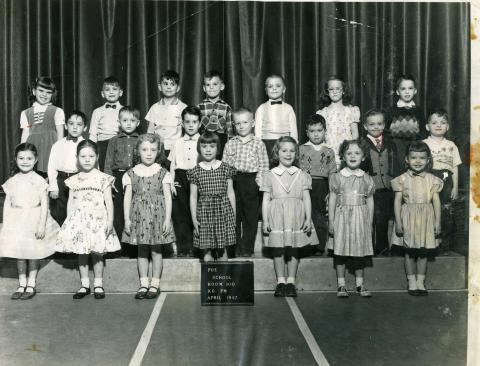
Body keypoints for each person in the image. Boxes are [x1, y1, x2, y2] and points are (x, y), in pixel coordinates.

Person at [55, 140, 121, 299]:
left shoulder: (103, 178)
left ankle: (98, 284)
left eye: (91, 156)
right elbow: (71, 201)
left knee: (97, 253)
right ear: (77, 157)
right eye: (83, 156)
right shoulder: (73, 180)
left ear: (97, 157)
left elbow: (109, 202)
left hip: (98, 220)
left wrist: (110, 221)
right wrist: (69, 222)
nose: (87, 159)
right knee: (82, 253)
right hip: (79, 222)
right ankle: (84, 285)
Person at [0, 143, 59, 300]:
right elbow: (7, 203)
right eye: (21, 158)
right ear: (15, 159)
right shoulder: (12, 181)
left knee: (33, 253)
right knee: (20, 254)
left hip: (34, 218)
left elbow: (45, 203)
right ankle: (21, 283)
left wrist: (41, 224)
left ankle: (31, 284)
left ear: (36, 160)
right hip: (17, 220)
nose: (25, 161)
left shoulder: (39, 180)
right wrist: (5, 224)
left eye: (29, 158)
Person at [122, 134, 175, 299]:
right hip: (138, 216)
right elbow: (127, 198)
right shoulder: (130, 173)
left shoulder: (163, 173)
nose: (149, 153)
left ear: (158, 151)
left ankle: (155, 284)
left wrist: (167, 219)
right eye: (144, 149)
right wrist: (126, 219)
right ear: (138, 151)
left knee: (156, 251)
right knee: (141, 251)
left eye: (153, 149)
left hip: (157, 217)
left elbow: (167, 198)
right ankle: (143, 284)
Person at [261, 136, 312, 298]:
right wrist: (265, 220)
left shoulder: (302, 175)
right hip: (276, 215)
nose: (288, 154)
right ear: (277, 152)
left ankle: (291, 282)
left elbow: (306, 198)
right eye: (284, 150)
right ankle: (280, 281)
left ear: (296, 153)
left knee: (294, 248)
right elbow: (266, 200)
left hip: (296, 215)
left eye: (292, 151)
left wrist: (308, 218)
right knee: (278, 249)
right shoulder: (270, 175)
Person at [391, 141, 442, 296]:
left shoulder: (433, 180)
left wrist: (438, 222)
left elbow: (436, 202)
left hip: (426, 217)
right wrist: (398, 222)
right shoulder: (401, 179)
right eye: (413, 157)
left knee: (423, 251)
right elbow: (397, 202)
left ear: (428, 160)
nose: (418, 161)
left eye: (422, 158)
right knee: (409, 252)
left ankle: (421, 282)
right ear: (407, 159)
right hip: (408, 217)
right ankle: (411, 281)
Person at [328, 140, 375, 298]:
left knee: (358, 252)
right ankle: (341, 285)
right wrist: (331, 221)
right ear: (343, 156)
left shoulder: (367, 178)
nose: (353, 156)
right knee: (340, 251)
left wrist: (369, 221)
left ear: (363, 157)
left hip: (360, 218)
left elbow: (370, 200)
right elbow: (333, 199)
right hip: (342, 218)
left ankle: (360, 284)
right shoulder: (337, 177)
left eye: (357, 153)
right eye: (349, 153)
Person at [223, 107, 269, 257]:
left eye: (245, 122)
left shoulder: (258, 143)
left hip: (251, 181)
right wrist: (226, 183)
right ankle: (234, 247)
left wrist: (259, 182)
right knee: (233, 216)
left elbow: (263, 165)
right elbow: (225, 165)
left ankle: (247, 247)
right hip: (234, 181)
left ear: (253, 123)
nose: (241, 126)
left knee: (250, 217)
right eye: (238, 123)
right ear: (233, 125)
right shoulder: (230, 143)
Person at [187, 132, 236, 262]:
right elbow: (193, 197)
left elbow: (230, 192)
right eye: (204, 146)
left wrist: (233, 215)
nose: (208, 150)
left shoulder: (226, 168)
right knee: (206, 250)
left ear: (218, 148)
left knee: (222, 250)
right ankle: (209, 280)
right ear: (199, 149)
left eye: (212, 146)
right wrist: (194, 219)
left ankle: (223, 280)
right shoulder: (195, 171)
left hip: (223, 212)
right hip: (204, 213)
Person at [360, 109, 400, 256]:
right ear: (365, 126)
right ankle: (368, 248)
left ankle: (382, 247)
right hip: (370, 187)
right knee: (371, 218)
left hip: (386, 187)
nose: (375, 127)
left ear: (384, 125)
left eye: (379, 124)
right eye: (371, 124)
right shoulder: (362, 143)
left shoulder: (391, 143)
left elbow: (395, 164)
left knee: (383, 218)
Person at [104, 106, 140, 255]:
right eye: (125, 120)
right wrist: (109, 181)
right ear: (119, 122)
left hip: (135, 176)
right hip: (118, 177)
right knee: (118, 210)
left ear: (138, 123)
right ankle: (118, 247)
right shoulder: (113, 140)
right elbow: (108, 161)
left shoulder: (141, 139)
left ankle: (134, 247)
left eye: (132, 120)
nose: (129, 124)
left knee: (135, 210)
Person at [423, 110, 461, 253]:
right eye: (434, 123)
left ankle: (444, 244)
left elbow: (455, 168)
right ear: (427, 127)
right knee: (430, 210)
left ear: (448, 127)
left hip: (446, 181)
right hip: (429, 179)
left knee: (445, 211)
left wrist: (455, 187)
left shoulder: (451, 145)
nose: (438, 125)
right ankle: (430, 242)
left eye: (442, 123)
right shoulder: (424, 144)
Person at [299, 114, 336, 256]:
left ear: (325, 131)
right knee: (305, 214)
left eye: (319, 130)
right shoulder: (301, 149)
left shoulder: (329, 151)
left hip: (322, 185)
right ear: (307, 132)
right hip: (305, 185)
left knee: (320, 216)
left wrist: (331, 191)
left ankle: (320, 247)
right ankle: (306, 245)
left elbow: (332, 173)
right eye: (312, 131)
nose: (316, 134)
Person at [168, 106, 201, 257]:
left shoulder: (203, 141)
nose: (191, 125)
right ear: (182, 123)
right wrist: (172, 180)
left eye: (194, 121)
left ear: (200, 123)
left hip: (198, 175)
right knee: (180, 213)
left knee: (196, 212)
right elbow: (172, 163)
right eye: (187, 121)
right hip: (180, 177)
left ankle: (197, 247)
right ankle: (183, 248)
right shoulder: (177, 142)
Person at [20, 76, 65, 177]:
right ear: (34, 91)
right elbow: (25, 133)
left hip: (50, 148)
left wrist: (59, 151)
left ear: (52, 94)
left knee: (49, 177)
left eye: (48, 92)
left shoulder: (57, 111)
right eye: (41, 90)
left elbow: (60, 133)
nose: (44, 94)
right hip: (33, 148)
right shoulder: (25, 113)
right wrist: (22, 152)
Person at [48, 110, 87, 225]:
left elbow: (94, 167)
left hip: (79, 180)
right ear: (65, 126)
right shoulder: (58, 145)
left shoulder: (87, 145)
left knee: (78, 212)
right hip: (61, 180)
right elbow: (52, 167)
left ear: (85, 128)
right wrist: (53, 186)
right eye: (71, 124)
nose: (75, 128)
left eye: (79, 125)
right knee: (59, 213)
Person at [316, 76, 360, 168]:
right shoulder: (323, 112)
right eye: (331, 89)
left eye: (337, 89)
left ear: (343, 91)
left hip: (346, 151)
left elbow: (355, 133)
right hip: (329, 150)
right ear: (327, 92)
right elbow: (320, 134)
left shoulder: (351, 110)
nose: (334, 91)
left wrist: (351, 150)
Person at [255, 75, 298, 162]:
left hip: (285, 142)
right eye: (270, 86)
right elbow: (258, 129)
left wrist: (294, 143)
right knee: (269, 166)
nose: (274, 88)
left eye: (278, 86)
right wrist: (258, 144)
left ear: (284, 89)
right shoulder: (261, 108)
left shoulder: (288, 108)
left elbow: (293, 128)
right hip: (267, 143)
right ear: (266, 91)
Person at [146, 70, 188, 159]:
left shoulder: (183, 107)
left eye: (172, 84)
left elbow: (188, 130)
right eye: (165, 84)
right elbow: (150, 131)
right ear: (160, 87)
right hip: (158, 149)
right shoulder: (154, 107)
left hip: (176, 148)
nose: (169, 87)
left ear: (178, 88)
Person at [387, 74, 426, 164]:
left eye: (410, 88)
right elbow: (386, 130)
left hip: (414, 147)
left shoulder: (418, 110)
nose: (407, 92)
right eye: (403, 89)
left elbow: (423, 130)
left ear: (415, 91)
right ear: (397, 91)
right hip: (396, 148)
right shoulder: (392, 110)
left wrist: (418, 142)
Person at [89, 76, 124, 171]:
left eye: (114, 89)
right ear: (102, 94)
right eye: (107, 89)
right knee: (103, 171)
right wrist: (92, 151)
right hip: (102, 145)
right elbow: (93, 133)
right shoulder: (97, 111)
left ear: (120, 92)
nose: (111, 92)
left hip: (119, 144)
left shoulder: (124, 111)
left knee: (118, 170)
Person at [197, 70, 233, 157]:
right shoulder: (199, 107)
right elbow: (196, 129)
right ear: (204, 88)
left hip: (221, 142)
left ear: (222, 86)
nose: (211, 87)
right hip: (204, 141)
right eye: (208, 85)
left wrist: (230, 145)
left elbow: (229, 130)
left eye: (215, 84)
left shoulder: (227, 107)